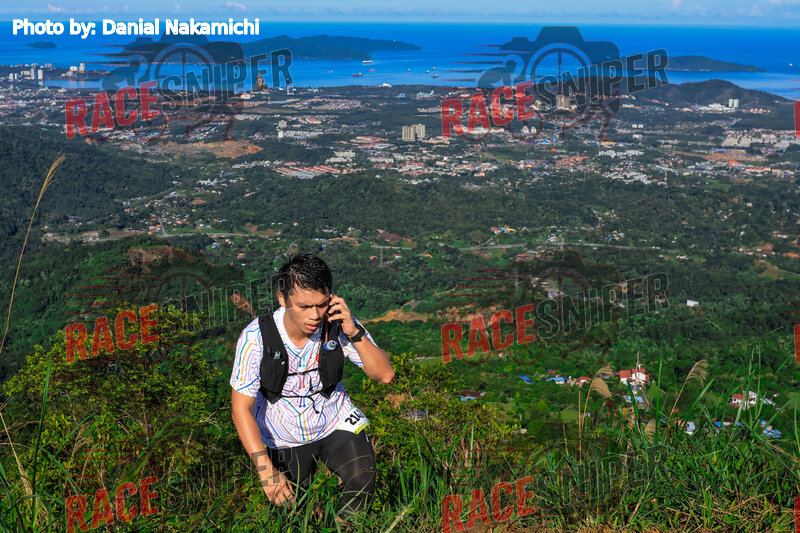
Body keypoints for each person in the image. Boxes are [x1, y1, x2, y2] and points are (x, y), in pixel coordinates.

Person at [230, 253, 394, 522]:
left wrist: (354, 332)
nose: (315, 315)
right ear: (282, 299)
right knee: (291, 513)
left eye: (321, 304)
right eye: (304, 306)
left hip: (334, 419)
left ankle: (346, 527)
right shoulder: (256, 337)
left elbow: (385, 375)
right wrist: (265, 470)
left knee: (362, 477)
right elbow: (241, 409)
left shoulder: (339, 324)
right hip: (281, 433)